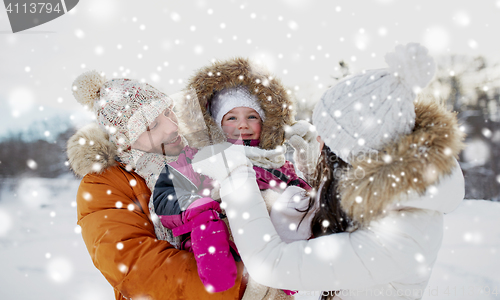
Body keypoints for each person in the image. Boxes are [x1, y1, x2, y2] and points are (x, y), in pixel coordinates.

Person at [191, 43, 466, 299]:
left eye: (326, 140)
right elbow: (342, 200)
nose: (318, 141)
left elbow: (271, 263)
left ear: (346, 155)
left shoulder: (401, 238)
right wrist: (310, 160)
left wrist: (235, 174)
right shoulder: (391, 190)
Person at [66, 71, 247, 300]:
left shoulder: (199, 156)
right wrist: (243, 284)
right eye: (152, 124)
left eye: (169, 111)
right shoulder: (102, 185)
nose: (172, 126)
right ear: (126, 140)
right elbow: (139, 270)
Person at [152, 57, 314, 300]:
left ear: (266, 122)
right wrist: (196, 208)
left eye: (252, 117)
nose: (242, 126)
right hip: (218, 229)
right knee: (209, 222)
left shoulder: (275, 159)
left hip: (268, 238)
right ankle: (217, 263)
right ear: (216, 124)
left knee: (288, 205)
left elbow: (302, 192)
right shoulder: (197, 158)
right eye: (231, 118)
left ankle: (286, 270)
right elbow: (165, 196)